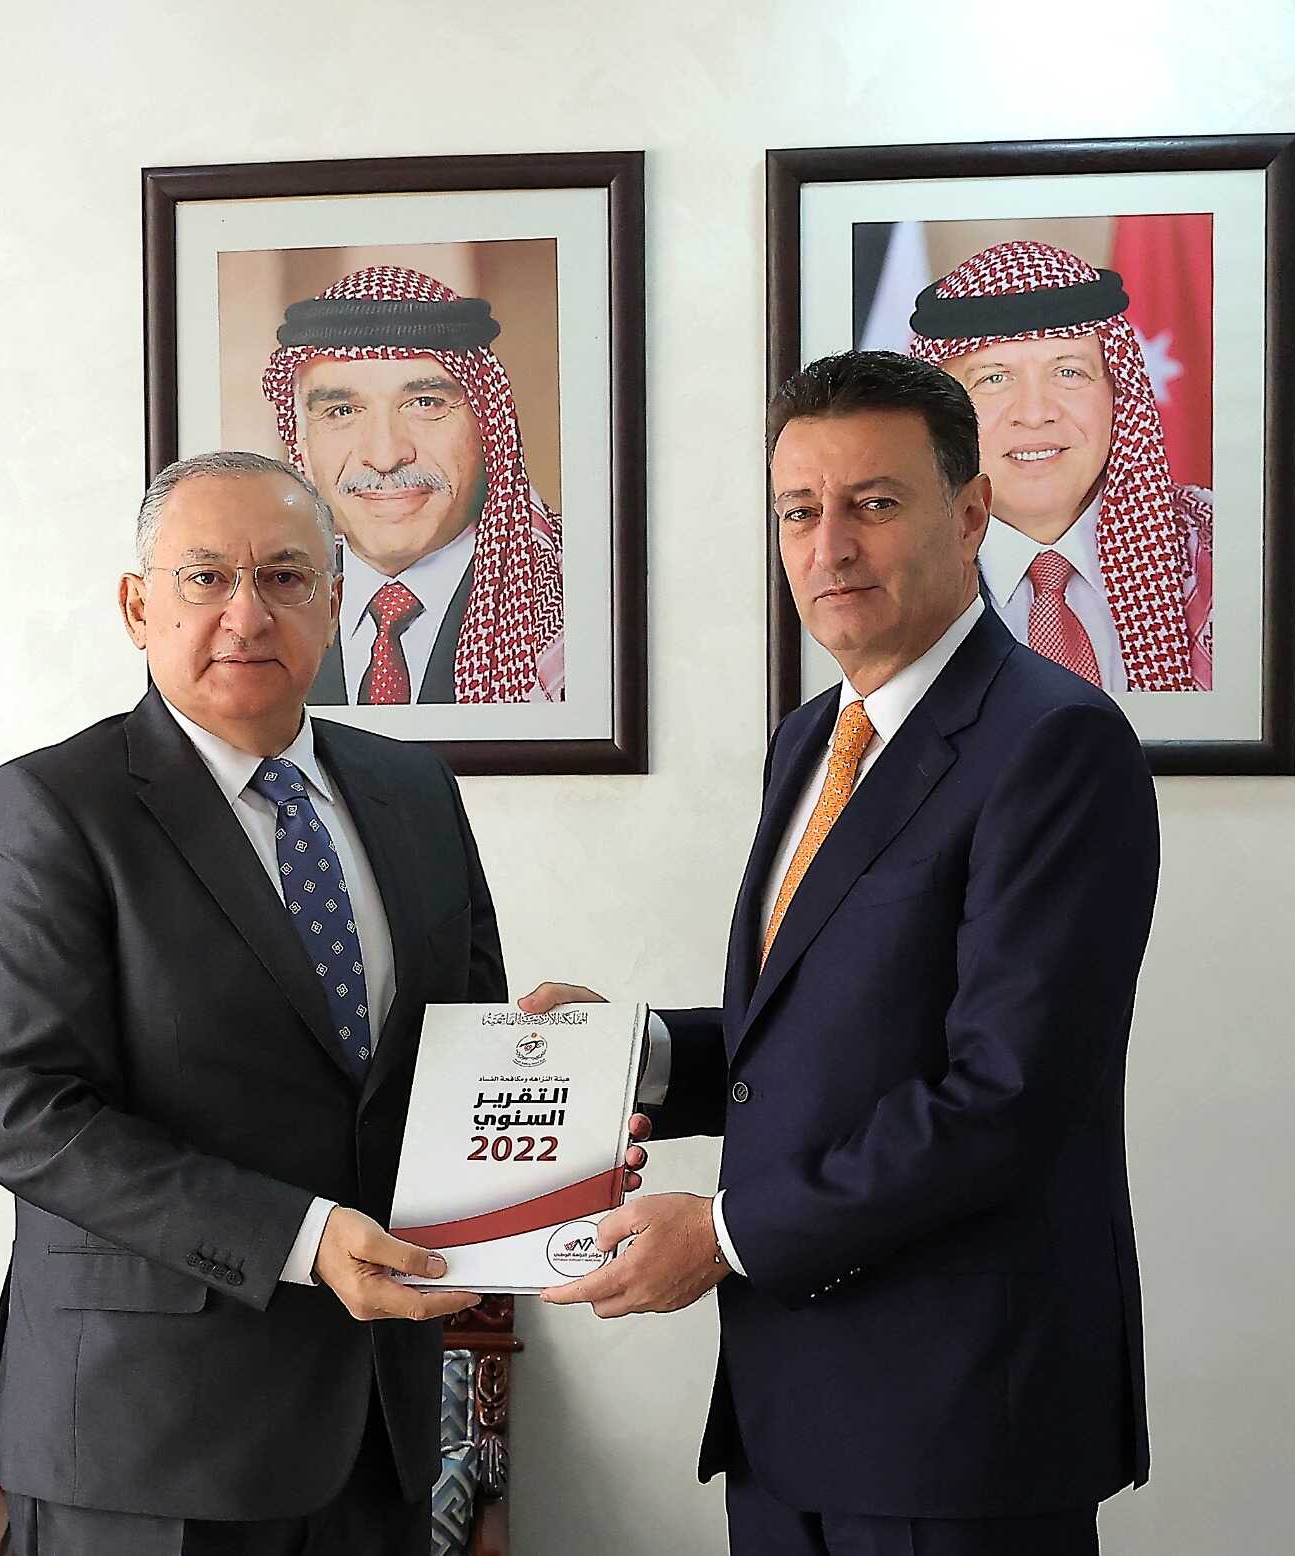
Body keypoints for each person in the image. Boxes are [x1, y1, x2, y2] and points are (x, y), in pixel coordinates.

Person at [526, 352, 1160, 1555]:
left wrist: (720, 1234)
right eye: (798, 511)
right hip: (787, 1417)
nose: (830, 547)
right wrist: (632, 1054)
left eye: (873, 502)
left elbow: (1004, 1094)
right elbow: (820, 1036)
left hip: (960, 1426)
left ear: (969, 513)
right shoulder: (814, 735)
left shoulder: (1055, 743)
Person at [0, 450, 503, 1555]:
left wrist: (557, 1069)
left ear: (336, 603)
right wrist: (303, 1236)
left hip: (378, 1427)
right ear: (137, 606)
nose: (247, 613)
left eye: (287, 577)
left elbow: (462, 1055)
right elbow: (33, 1115)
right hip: (147, 1436)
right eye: (205, 577)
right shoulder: (52, 807)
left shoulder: (415, 789)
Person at [908, 239, 1213, 692]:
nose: (1035, 413)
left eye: (1069, 372)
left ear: (1117, 392)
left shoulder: (1219, 551)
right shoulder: (886, 571)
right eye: (994, 378)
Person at [262, 264, 564, 707]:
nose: (386, 456)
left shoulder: (577, 604)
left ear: (487, 427)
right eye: (342, 411)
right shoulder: (255, 608)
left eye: (425, 403)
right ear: (302, 447)